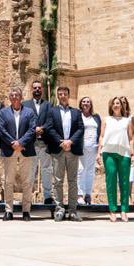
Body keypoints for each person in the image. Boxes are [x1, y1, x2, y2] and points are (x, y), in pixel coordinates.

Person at [45, 85, 84, 221]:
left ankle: (73, 210)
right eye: (60, 94)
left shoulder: (76, 112)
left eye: (65, 94)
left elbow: (80, 129)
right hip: (58, 150)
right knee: (58, 181)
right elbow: (49, 128)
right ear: (58, 96)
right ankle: (59, 209)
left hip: (72, 150)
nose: (62, 96)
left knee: (73, 181)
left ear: (68, 95)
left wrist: (70, 142)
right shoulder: (52, 111)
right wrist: (61, 142)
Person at [0, 86, 37, 220]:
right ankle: (9, 210)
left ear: (21, 98)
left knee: (27, 181)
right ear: (10, 97)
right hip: (9, 150)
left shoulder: (29, 112)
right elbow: (2, 130)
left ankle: (26, 211)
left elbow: (32, 129)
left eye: (17, 95)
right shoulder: (3, 113)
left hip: (26, 149)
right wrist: (13, 143)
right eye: (12, 95)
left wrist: (20, 143)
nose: (15, 97)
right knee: (8, 181)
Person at [98, 96, 134, 222]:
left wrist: (133, 154)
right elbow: (101, 136)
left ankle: (124, 210)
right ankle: (112, 210)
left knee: (124, 182)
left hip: (124, 153)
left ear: (121, 106)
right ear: (111, 106)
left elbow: (131, 138)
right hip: (108, 152)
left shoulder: (127, 121)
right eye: (113, 103)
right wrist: (99, 153)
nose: (116, 105)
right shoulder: (106, 119)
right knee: (111, 180)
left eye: (118, 103)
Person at [23, 80, 54, 205]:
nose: (37, 90)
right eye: (35, 88)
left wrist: (43, 128)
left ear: (42, 90)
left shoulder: (48, 105)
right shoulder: (25, 104)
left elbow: (51, 120)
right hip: (31, 142)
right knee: (30, 170)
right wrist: (34, 129)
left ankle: (47, 196)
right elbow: (24, 121)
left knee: (47, 169)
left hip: (45, 142)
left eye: (39, 88)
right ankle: (27, 196)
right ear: (32, 89)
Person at [78, 97, 101, 204]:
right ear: (80, 104)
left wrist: (99, 149)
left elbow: (100, 132)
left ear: (91, 104)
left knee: (90, 171)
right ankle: (79, 194)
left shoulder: (96, 117)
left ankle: (88, 194)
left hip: (93, 148)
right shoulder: (78, 116)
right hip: (81, 147)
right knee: (81, 170)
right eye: (84, 102)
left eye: (88, 102)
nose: (86, 103)